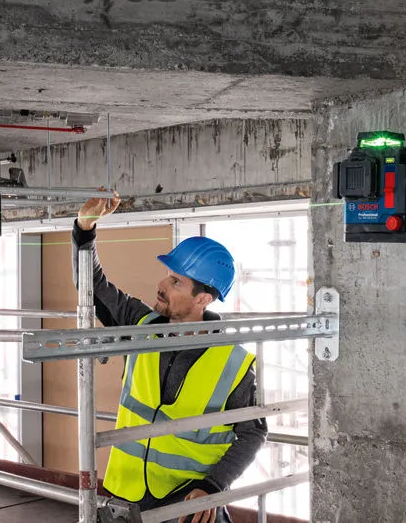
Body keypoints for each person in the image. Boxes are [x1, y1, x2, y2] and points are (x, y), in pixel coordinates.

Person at [72, 189, 267, 523]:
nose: (161, 284)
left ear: (202, 300)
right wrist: (84, 228)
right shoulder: (140, 323)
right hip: (126, 495)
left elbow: (253, 433)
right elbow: (92, 286)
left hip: (187, 503)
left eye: (175, 281)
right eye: (167, 274)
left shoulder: (233, 363)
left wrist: (213, 486)